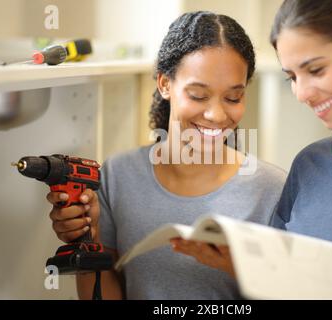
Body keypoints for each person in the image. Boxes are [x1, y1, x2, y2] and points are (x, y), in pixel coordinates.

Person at [172, 0, 332, 299]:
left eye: (316, 70)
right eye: (292, 77)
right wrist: (241, 265)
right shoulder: (310, 164)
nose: (302, 93)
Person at [46, 11, 287, 299]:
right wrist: (86, 240)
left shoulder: (271, 189)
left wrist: (243, 271)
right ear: (164, 84)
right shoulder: (118, 176)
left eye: (233, 97)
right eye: (198, 95)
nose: (217, 114)